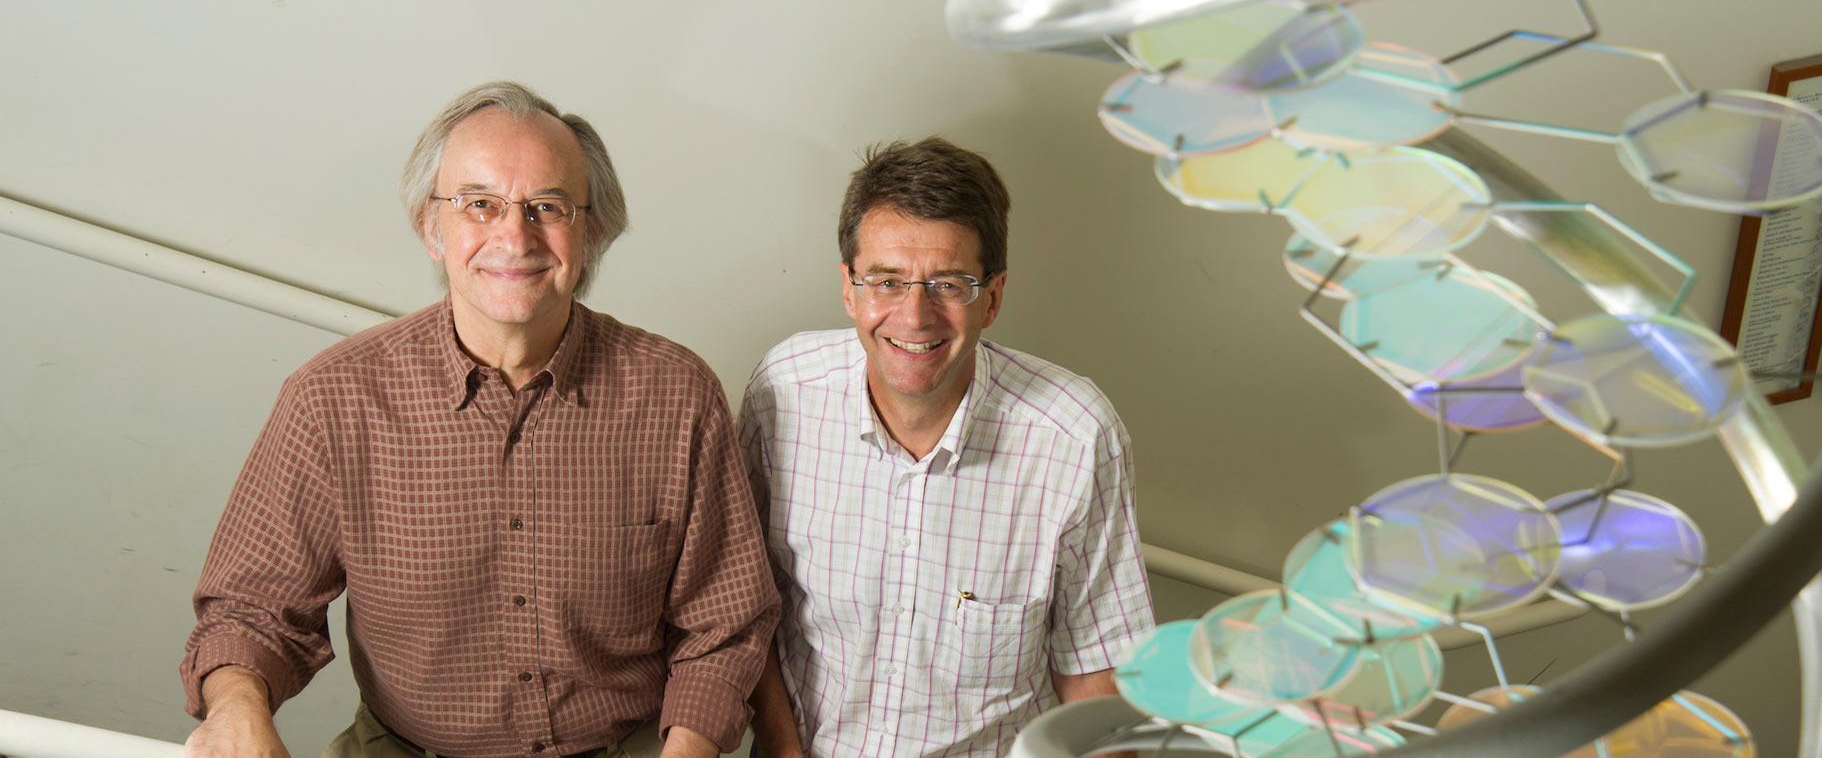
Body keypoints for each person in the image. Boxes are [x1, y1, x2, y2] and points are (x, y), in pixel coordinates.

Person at [178, 81, 779, 758]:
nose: (513, 237)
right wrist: (236, 709)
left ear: (592, 232)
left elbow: (724, 628)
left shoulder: (677, 396)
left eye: (547, 207)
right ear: (430, 228)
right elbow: (251, 610)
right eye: (479, 204)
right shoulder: (333, 399)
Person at [738, 137, 1154, 757]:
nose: (914, 316)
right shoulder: (783, 392)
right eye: (886, 281)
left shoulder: (1074, 438)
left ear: (993, 296)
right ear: (849, 289)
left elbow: (1099, 677)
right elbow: (747, 605)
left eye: (948, 284)